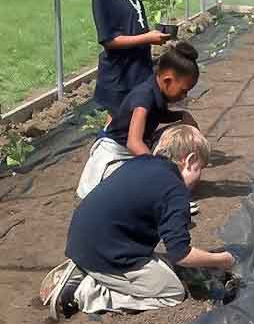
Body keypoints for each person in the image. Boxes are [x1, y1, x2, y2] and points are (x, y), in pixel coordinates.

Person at [42, 125, 234, 320]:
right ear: (190, 160)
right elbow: (180, 254)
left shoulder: (141, 162)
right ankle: (86, 293)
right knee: (172, 291)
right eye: (200, 168)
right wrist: (223, 260)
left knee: (165, 267)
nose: (200, 177)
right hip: (105, 252)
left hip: (82, 240)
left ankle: (88, 270)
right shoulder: (175, 190)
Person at [77, 41, 200, 205]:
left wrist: (182, 115)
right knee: (136, 193)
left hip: (132, 152)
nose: (184, 96)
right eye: (184, 90)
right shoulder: (144, 97)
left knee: (179, 132)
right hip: (115, 154)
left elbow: (159, 115)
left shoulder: (157, 90)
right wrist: (160, 172)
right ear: (168, 80)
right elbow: (134, 143)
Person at [93, 0, 170, 117]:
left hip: (140, 70)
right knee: (116, 127)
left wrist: (151, 34)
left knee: (139, 121)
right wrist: (146, 38)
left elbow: (136, 24)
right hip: (119, 76)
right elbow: (110, 40)